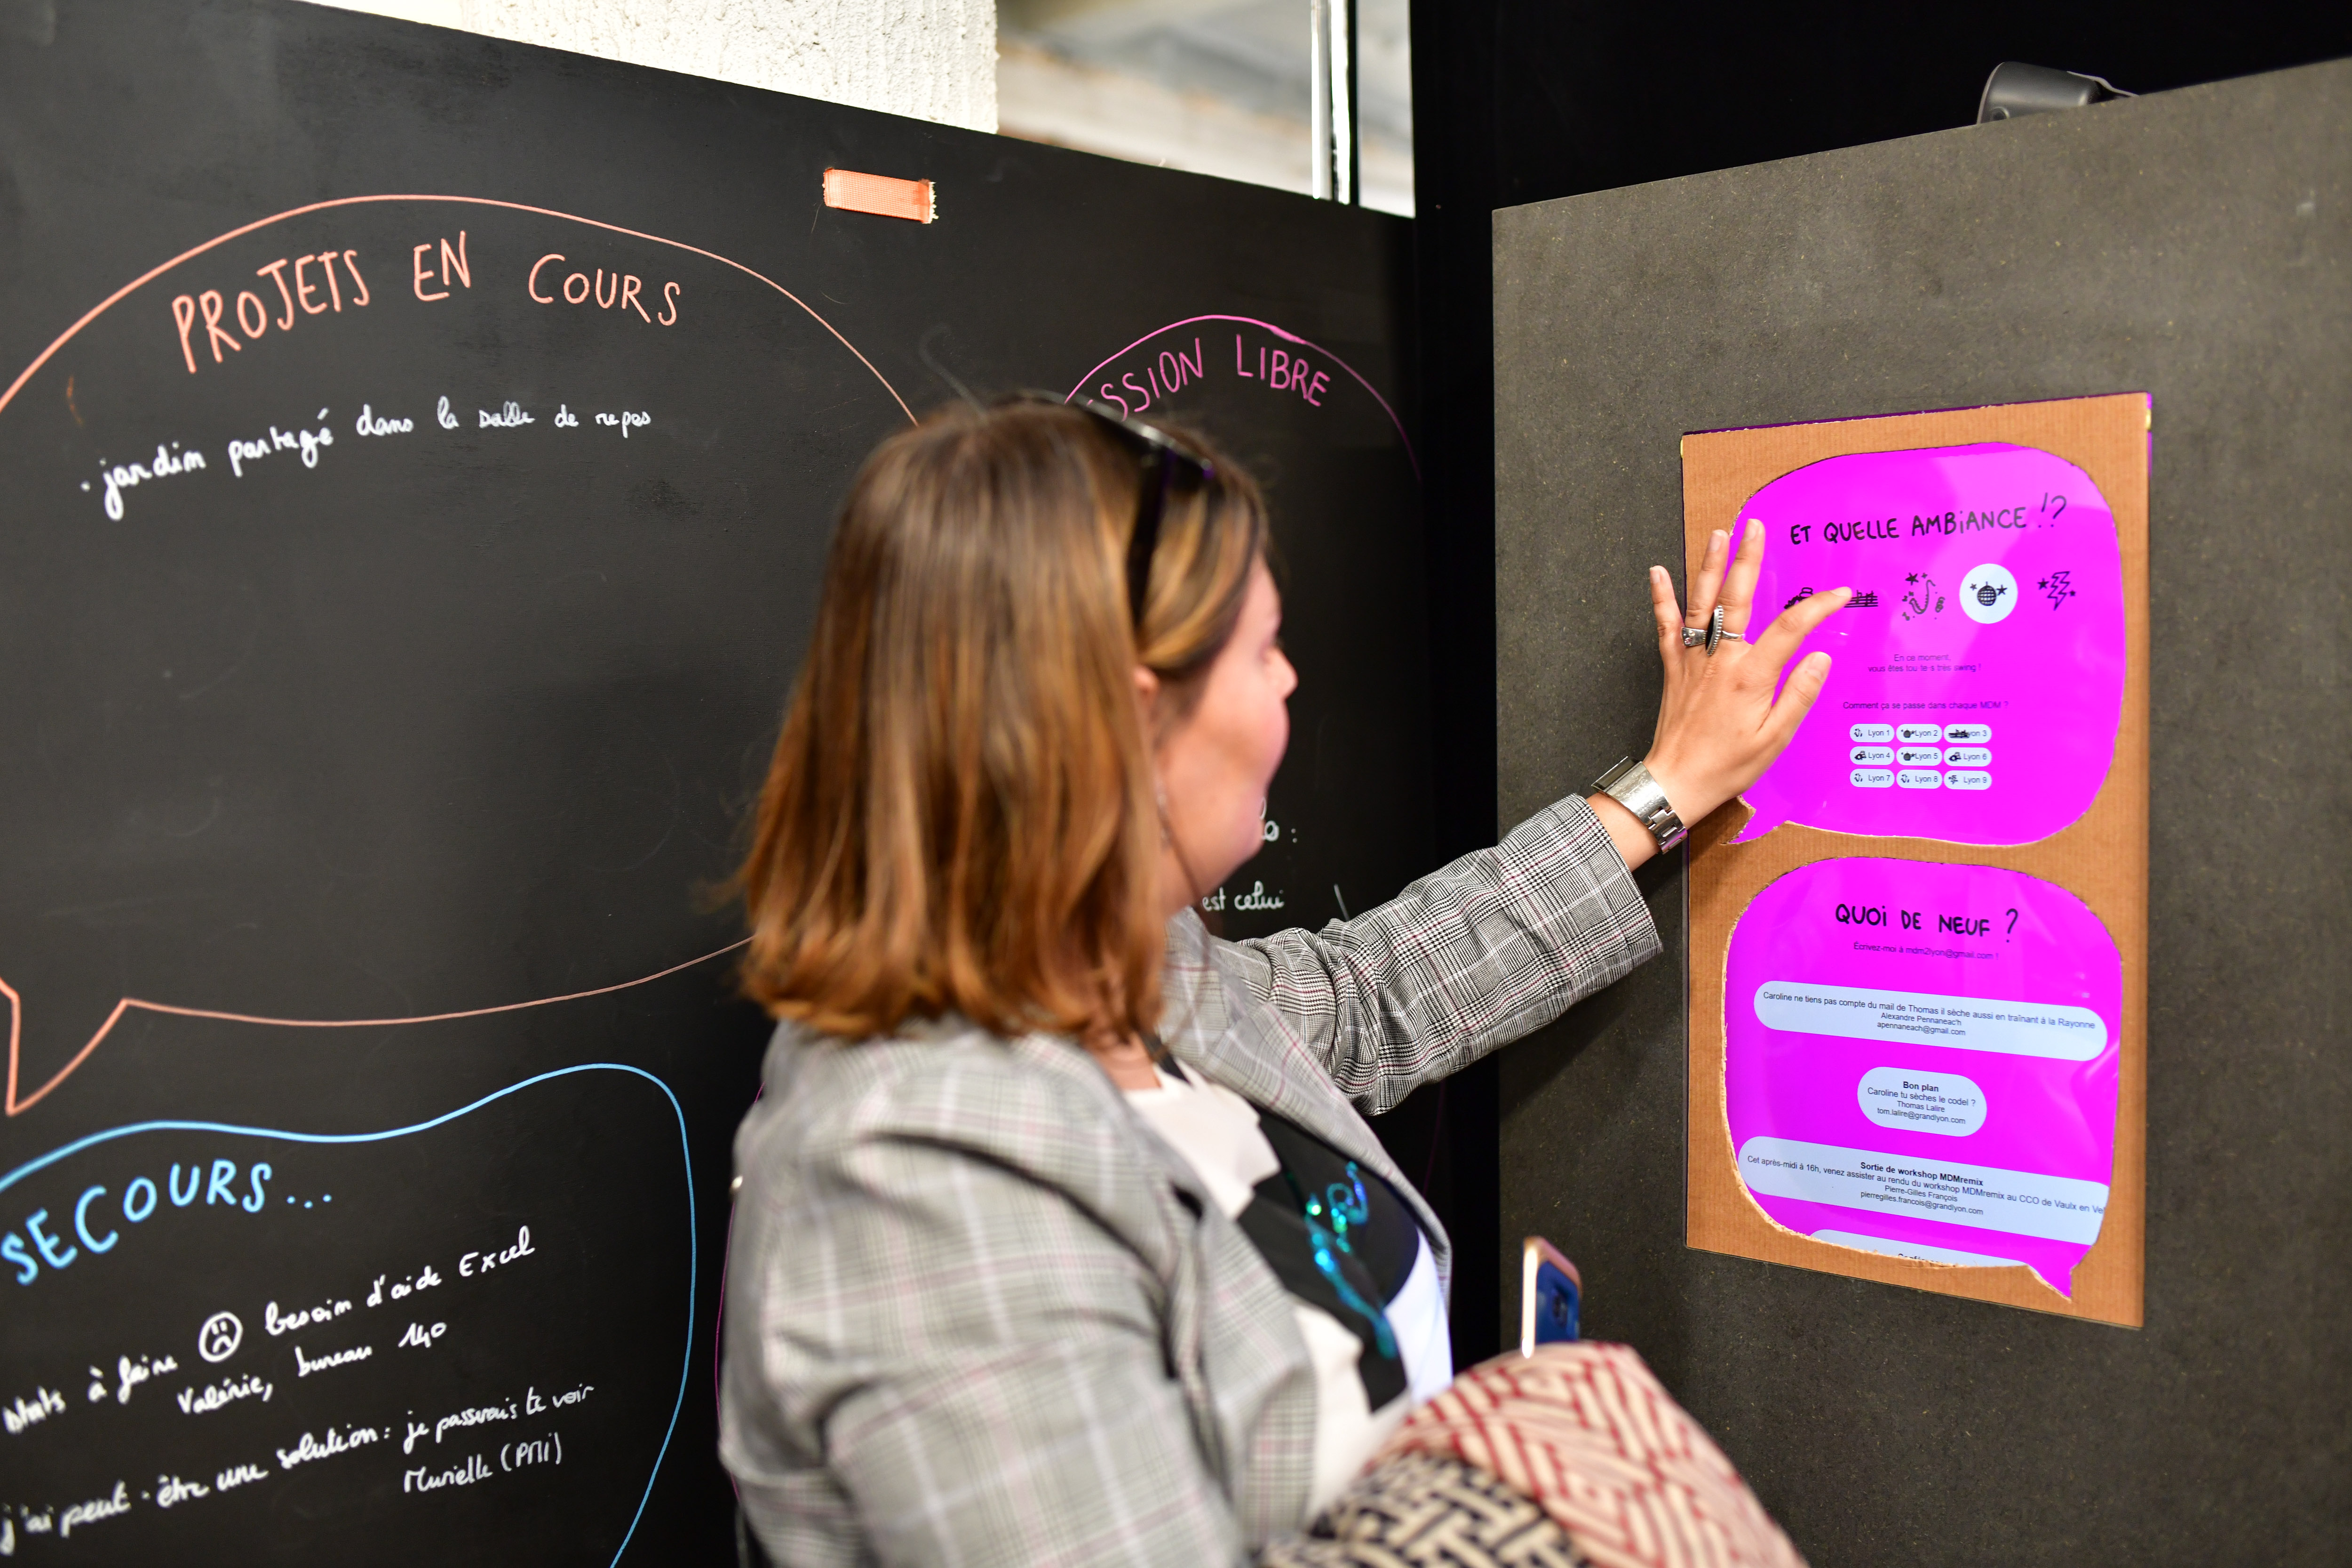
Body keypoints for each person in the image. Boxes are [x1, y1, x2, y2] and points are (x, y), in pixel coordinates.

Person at [718, 397, 1847, 1564]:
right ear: (1129, 720)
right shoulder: (921, 1185)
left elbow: (1367, 994)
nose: (1291, 678)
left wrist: (1665, 787)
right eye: (1260, 648)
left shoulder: (1122, 970)